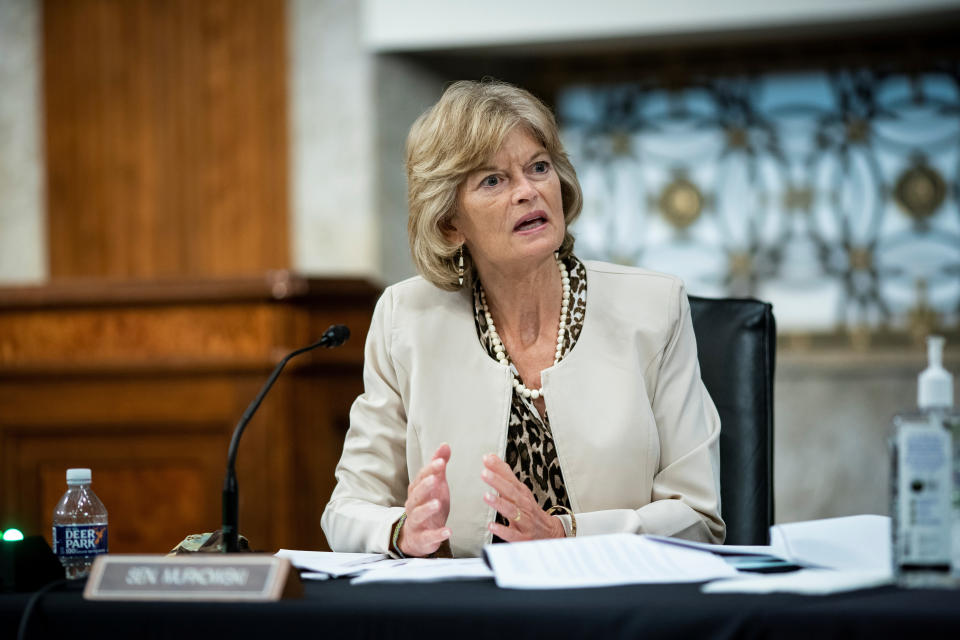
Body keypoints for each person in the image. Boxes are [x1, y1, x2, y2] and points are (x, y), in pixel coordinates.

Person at [321, 80, 724, 558]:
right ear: (451, 224)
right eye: (493, 180)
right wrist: (400, 531)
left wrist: (567, 536)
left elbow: (699, 520)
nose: (528, 192)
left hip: (613, 604)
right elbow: (346, 510)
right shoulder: (405, 320)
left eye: (538, 167)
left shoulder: (654, 308)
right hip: (472, 615)